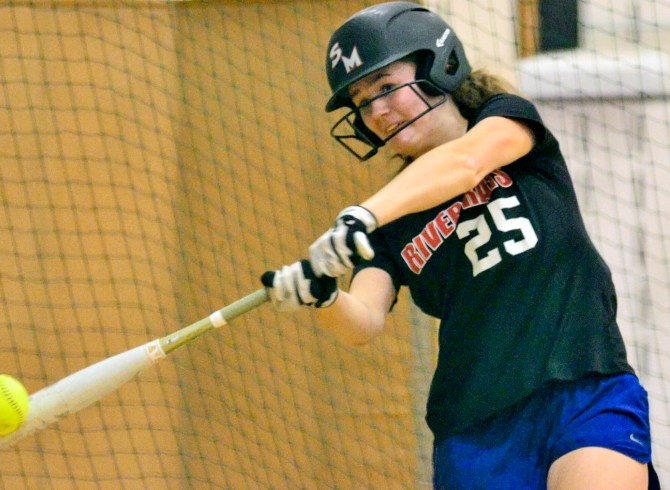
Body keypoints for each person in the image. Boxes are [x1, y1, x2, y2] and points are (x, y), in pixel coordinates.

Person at [260, 2, 660, 489]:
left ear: (439, 65)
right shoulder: (391, 224)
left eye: (386, 87)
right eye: (362, 102)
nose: (377, 111)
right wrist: (322, 296)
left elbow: (466, 163)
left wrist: (361, 215)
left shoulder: (506, 122)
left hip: (585, 387)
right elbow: (362, 322)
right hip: (475, 430)